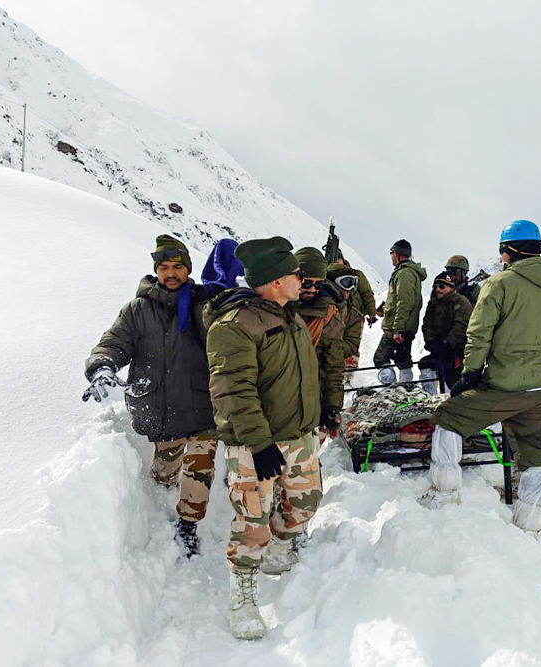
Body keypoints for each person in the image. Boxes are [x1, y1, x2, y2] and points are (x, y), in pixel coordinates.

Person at [424, 221, 541, 532]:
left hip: (503, 386)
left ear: (510, 251)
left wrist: (470, 373)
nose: (501, 258)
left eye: (502, 251)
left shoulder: (499, 284)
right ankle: (530, 521)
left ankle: (443, 495)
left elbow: (479, 333)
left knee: (448, 417)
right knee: (536, 453)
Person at [204, 236, 323, 640]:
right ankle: (243, 591)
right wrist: (259, 444)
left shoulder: (290, 315)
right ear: (275, 281)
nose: (301, 280)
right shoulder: (234, 325)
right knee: (253, 518)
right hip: (256, 442)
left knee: (305, 503)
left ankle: (279, 547)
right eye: (295, 274)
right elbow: (233, 390)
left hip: (299, 436)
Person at [83, 234, 218, 558]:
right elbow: (115, 342)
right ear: (156, 270)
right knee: (165, 469)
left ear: (188, 269)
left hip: (201, 406)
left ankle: (188, 525)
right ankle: (160, 499)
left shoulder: (204, 305)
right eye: (164, 267)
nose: (171, 273)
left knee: (200, 467)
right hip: (161, 407)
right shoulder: (137, 310)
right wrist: (102, 366)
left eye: (178, 267)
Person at [294, 247, 346, 438]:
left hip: (310, 401)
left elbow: (333, 366)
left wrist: (332, 408)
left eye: (319, 284)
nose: (312, 290)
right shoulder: (275, 308)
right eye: (307, 283)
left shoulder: (328, 316)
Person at [373, 239, 427, 383]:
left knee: (380, 358)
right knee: (402, 359)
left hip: (397, 329)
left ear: (396, 253)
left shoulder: (404, 274)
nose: (391, 256)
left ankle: (395, 390)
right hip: (405, 326)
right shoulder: (409, 273)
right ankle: (405, 388)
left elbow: (405, 302)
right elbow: (402, 301)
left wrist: (397, 328)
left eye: (391, 253)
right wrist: (386, 310)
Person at [419, 271, 471, 395]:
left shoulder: (461, 303)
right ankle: (431, 398)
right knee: (425, 365)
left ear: (451, 287)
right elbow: (427, 325)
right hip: (438, 348)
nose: (438, 289)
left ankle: (451, 400)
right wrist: (431, 342)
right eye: (435, 287)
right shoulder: (433, 304)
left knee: (451, 374)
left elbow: (461, 326)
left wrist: (448, 343)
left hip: (458, 350)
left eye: (441, 286)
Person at [327, 253, 375, 372]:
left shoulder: (355, 274)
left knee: (350, 341)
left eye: (338, 261)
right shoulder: (328, 276)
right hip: (337, 312)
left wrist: (372, 312)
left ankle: (349, 371)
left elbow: (367, 293)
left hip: (355, 313)